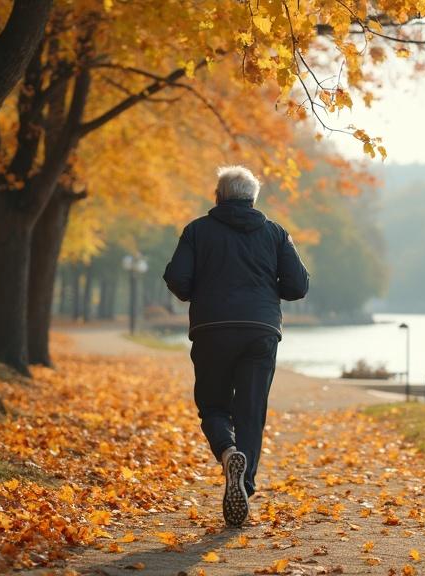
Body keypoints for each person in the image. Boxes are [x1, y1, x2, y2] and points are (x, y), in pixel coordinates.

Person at [163, 165, 309, 527]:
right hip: (260, 330)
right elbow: (297, 286)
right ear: (253, 199)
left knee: (213, 405)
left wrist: (201, 292)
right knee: (251, 410)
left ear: (219, 196)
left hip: (212, 329)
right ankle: (244, 482)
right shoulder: (275, 233)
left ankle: (228, 453)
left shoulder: (197, 231)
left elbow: (178, 278)